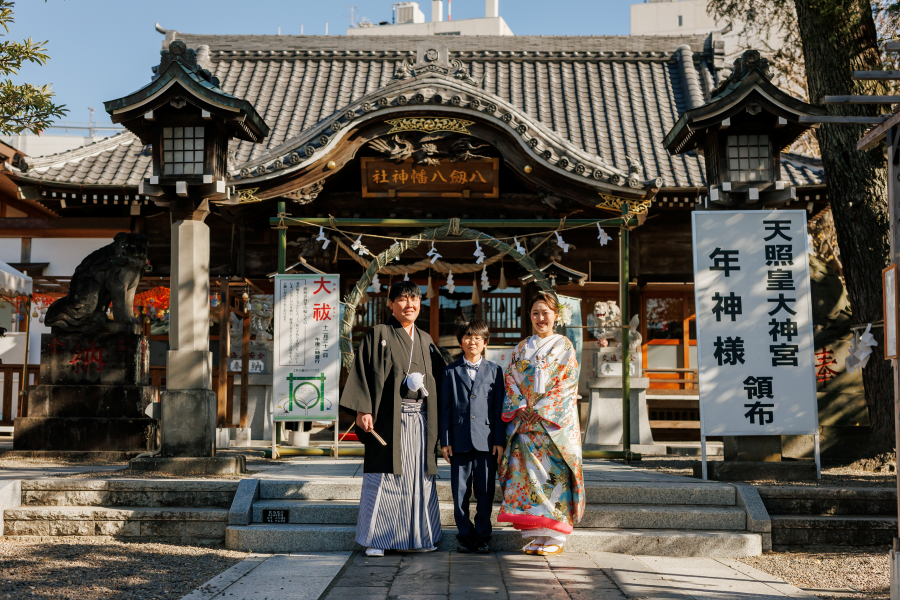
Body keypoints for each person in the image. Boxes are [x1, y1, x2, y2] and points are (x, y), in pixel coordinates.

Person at [340, 281, 445, 556]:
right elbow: (364, 373)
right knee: (386, 477)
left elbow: (441, 379)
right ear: (390, 304)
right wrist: (363, 409)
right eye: (402, 299)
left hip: (420, 421)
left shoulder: (425, 339)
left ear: (420, 304)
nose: (409, 304)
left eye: (414, 299)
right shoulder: (380, 333)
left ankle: (419, 538)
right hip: (389, 421)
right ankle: (377, 539)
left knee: (418, 479)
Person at [497, 291, 584, 556]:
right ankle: (537, 534)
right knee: (528, 479)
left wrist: (541, 410)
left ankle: (556, 534)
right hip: (525, 423)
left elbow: (567, 384)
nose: (540, 318)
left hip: (552, 425)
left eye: (545, 312)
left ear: (556, 316)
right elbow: (510, 380)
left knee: (553, 476)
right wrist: (521, 407)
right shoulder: (522, 347)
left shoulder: (565, 346)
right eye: (535, 313)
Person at [439, 319, 505, 554]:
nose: (472, 341)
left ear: (485, 342)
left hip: (487, 441)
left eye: (477, 337)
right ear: (460, 342)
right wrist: (445, 441)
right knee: (459, 493)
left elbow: (499, 409)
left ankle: (483, 536)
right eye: (467, 337)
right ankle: (465, 536)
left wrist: (499, 441)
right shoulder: (450, 371)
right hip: (459, 441)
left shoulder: (496, 371)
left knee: (485, 492)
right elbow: (444, 409)